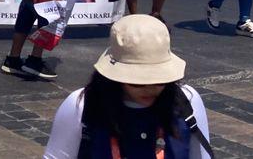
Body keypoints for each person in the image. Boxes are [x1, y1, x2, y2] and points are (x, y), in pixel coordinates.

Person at [43, 14, 212, 159]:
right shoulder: (80, 105)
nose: (150, 89)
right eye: (137, 82)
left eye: (160, 81)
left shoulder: (186, 101)